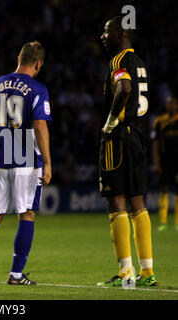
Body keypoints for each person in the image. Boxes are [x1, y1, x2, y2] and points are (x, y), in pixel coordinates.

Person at [0, 41, 52, 286]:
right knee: (26, 214)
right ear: (38, 64)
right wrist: (47, 162)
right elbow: (39, 125)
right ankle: (16, 274)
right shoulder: (38, 89)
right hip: (26, 158)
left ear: (19, 58)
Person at [97, 16, 157, 287]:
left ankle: (126, 273)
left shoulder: (120, 60)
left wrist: (110, 123)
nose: (103, 36)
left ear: (121, 34)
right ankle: (147, 272)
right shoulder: (140, 62)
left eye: (107, 31)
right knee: (137, 202)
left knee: (116, 200)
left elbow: (124, 89)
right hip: (139, 138)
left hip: (120, 138)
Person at [152, 94, 178, 231]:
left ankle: (177, 222)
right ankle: (163, 222)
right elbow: (155, 143)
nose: (171, 106)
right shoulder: (159, 122)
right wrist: (156, 162)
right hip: (165, 161)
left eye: (173, 103)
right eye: (169, 103)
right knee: (165, 189)